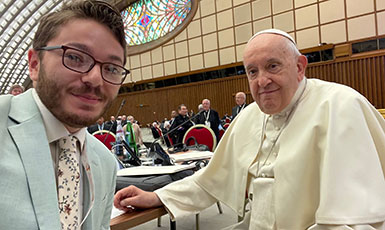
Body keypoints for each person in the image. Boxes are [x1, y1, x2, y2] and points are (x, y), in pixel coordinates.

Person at [114, 28, 385, 229]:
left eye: (273, 66)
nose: (262, 80)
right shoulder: (250, 117)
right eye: (252, 72)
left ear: (300, 66)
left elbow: (353, 220)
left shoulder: (340, 106)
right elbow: (210, 180)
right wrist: (156, 196)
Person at [0, 1, 128, 229]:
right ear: (34, 64)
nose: (95, 79)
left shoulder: (105, 163)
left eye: (111, 68)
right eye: (76, 57)